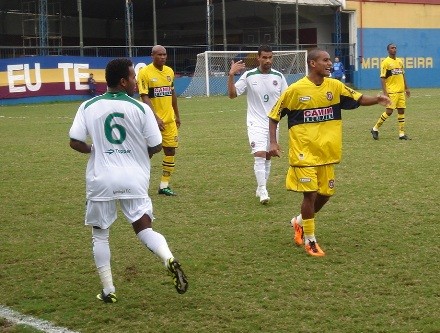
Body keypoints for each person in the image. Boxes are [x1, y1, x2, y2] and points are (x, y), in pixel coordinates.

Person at [69, 58, 188, 303]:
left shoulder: (88, 106)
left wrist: (95, 150)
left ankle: (108, 290)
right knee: (144, 229)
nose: (136, 81)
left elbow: (74, 141)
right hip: (134, 178)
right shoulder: (142, 109)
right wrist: (137, 154)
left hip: (101, 178)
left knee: (100, 235)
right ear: (123, 81)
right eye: (133, 77)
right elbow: (156, 144)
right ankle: (167, 257)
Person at [268, 49, 390, 257]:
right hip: (304, 152)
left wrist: (377, 99)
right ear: (312, 63)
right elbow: (274, 116)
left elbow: (358, 99)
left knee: (325, 194)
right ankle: (310, 240)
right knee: (311, 194)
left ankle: (298, 222)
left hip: (327, 152)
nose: (329, 64)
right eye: (325, 60)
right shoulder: (295, 90)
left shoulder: (335, 86)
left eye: (329, 61)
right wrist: (273, 142)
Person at [227, 45, 288, 204]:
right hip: (255, 122)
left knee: (268, 155)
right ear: (258, 58)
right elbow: (232, 95)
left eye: (270, 57)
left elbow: (287, 100)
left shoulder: (279, 77)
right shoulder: (249, 75)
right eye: (265, 57)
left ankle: (262, 186)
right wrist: (231, 75)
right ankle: (262, 190)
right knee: (260, 154)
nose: (268, 60)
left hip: (273, 123)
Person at [137, 45, 181, 196]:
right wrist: (155, 118)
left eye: (165, 54)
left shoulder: (169, 71)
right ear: (152, 55)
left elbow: (172, 94)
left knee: (170, 151)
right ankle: (139, 185)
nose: (162, 57)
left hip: (169, 121)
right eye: (159, 55)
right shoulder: (144, 73)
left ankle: (164, 185)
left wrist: (177, 115)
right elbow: (144, 96)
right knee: (147, 152)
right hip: (151, 122)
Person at [371, 43, 411, 140]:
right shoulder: (386, 62)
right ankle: (375, 128)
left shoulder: (400, 61)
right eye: (392, 48)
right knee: (389, 111)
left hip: (401, 91)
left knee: (401, 110)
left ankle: (401, 134)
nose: (394, 49)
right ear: (388, 50)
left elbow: (403, 75)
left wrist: (406, 88)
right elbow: (382, 78)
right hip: (392, 91)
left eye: (395, 48)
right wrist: (385, 93)